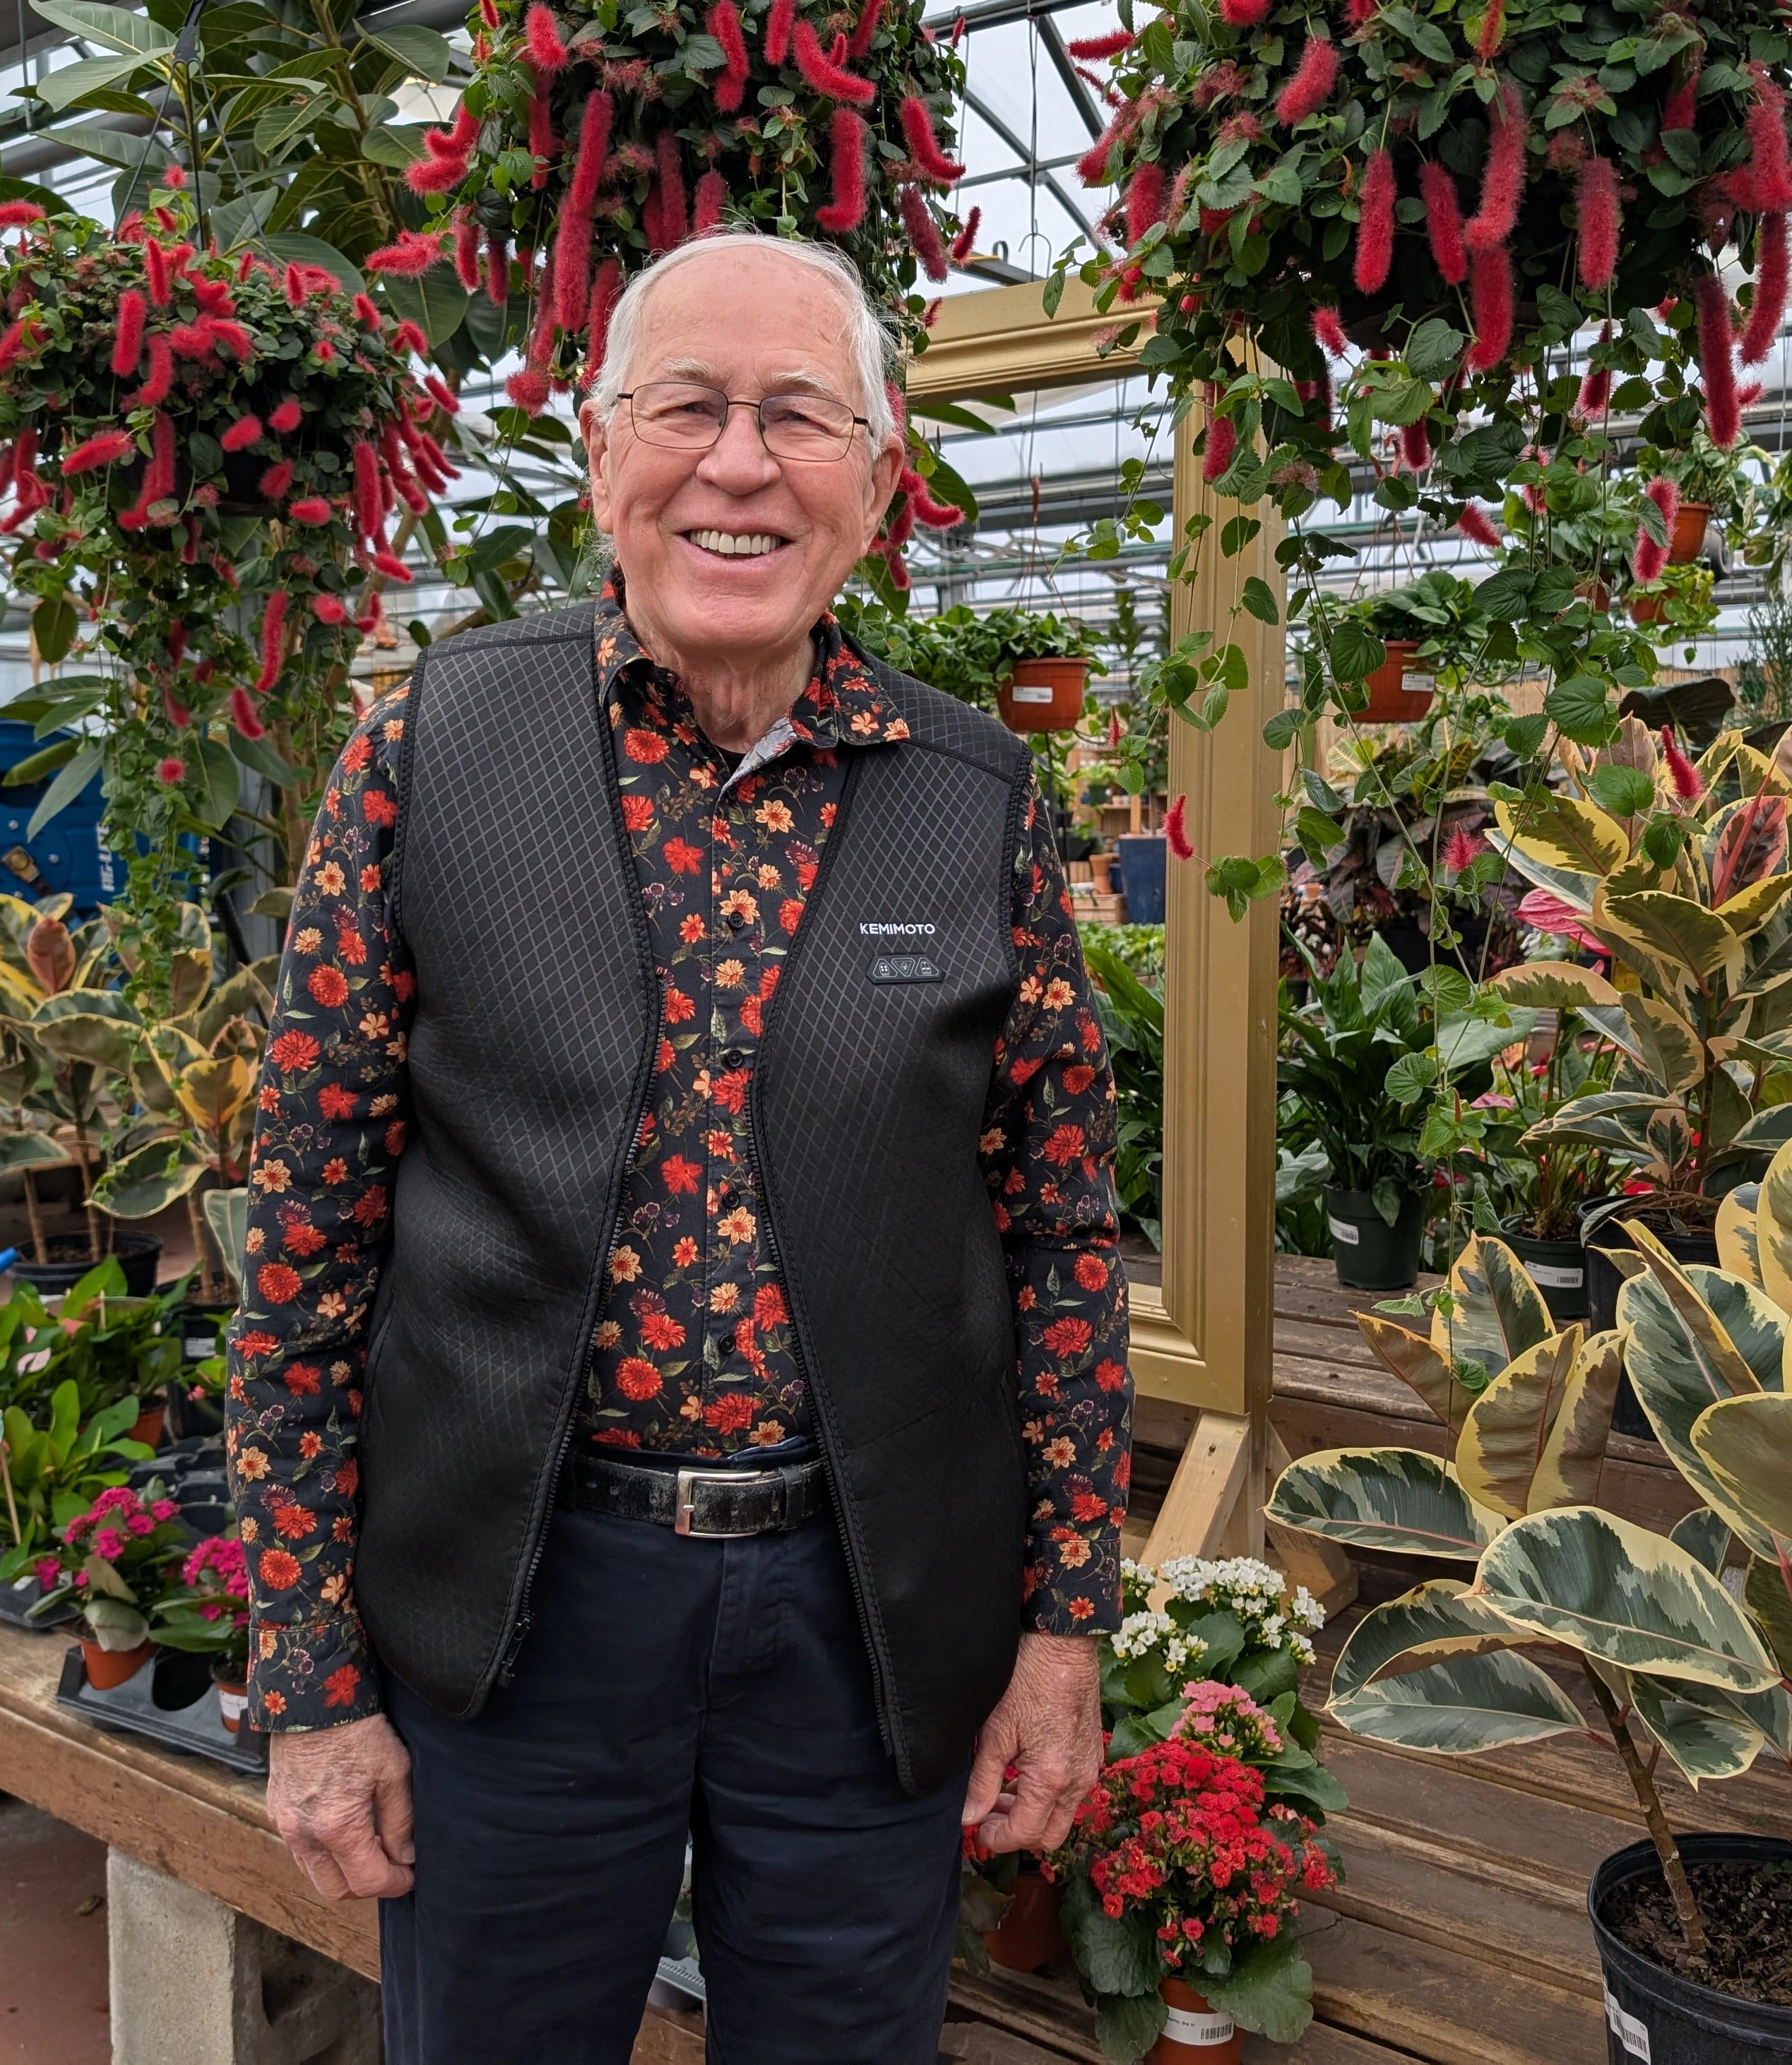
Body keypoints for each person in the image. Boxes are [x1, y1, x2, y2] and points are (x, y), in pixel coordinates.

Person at [227, 226, 1132, 2064]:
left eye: (798, 415)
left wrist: (1062, 1635)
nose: (738, 464)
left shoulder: (973, 800)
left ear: (878, 482)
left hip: (865, 1617)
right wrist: (311, 1677)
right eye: (687, 408)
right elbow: (309, 1242)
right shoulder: (434, 753)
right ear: (598, 454)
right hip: (520, 1607)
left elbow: (1057, 1242)